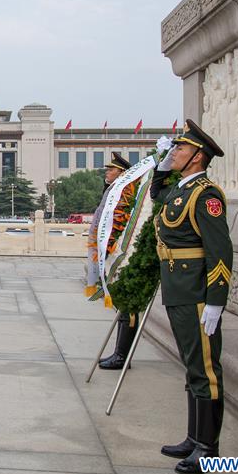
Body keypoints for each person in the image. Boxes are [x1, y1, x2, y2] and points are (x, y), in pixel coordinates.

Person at [150, 119, 232, 474]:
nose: (174, 153)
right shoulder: (181, 189)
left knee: (206, 370)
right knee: (192, 366)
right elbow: (158, 196)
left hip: (198, 293)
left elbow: (220, 251)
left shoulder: (206, 195)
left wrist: (216, 300)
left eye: (180, 149)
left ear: (197, 157)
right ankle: (193, 437)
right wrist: (160, 167)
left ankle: (208, 448)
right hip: (178, 290)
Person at [92, 152, 141, 370]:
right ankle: (120, 353)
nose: (107, 172)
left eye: (111, 169)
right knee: (121, 305)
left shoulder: (125, 193)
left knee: (127, 305)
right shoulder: (113, 191)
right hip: (110, 253)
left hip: (121, 254)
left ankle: (122, 356)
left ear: (121, 173)